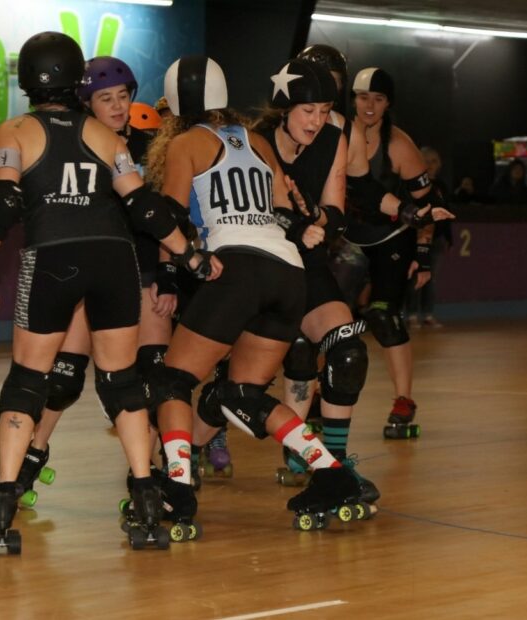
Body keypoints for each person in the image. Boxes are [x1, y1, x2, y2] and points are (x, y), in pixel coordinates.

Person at [0, 33, 214, 554]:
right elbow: (145, 208)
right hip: (114, 260)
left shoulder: (13, 130)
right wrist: (188, 252)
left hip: (54, 257)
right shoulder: (108, 138)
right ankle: (146, 495)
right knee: (122, 383)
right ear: (75, 80)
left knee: (27, 380)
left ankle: (4, 503)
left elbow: (4, 197)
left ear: (27, 81)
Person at [144, 55, 371, 531]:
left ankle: (179, 489)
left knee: (173, 381)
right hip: (288, 273)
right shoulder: (258, 142)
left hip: (237, 269)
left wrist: (187, 258)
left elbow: (163, 217)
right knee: (242, 393)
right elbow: (286, 216)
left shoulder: (186, 142)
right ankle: (332, 474)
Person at [9, 55, 181, 510]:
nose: (120, 107)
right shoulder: (77, 143)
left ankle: (151, 475)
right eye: (107, 99)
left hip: (139, 273)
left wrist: (168, 274)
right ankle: (31, 456)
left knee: (147, 378)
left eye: (124, 96)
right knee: (63, 379)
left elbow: (164, 216)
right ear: (85, 103)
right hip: (92, 268)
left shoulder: (150, 147)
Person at [250, 58, 377, 501]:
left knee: (347, 351)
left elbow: (336, 212)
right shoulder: (253, 141)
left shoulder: (333, 138)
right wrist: (293, 221)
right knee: (229, 382)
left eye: (325, 110)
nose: (317, 121)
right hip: (256, 264)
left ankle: (332, 468)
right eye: (308, 111)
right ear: (283, 108)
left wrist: (318, 217)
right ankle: (181, 465)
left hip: (306, 260)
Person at [342, 67, 455, 440]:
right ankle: (314, 401)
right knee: (328, 318)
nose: (369, 106)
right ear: (353, 99)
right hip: (349, 236)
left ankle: (403, 400)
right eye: (363, 98)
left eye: (378, 99)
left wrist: (422, 256)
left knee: (384, 317)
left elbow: (429, 202)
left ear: (388, 103)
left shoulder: (399, 145)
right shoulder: (337, 133)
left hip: (393, 236)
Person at [406, 146, 454, 328]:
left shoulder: (441, 186)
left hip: (438, 239)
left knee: (431, 279)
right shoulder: (413, 185)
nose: (431, 165)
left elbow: (447, 213)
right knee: (416, 277)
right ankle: (410, 314)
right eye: (427, 160)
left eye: (434, 161)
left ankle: (427, 313)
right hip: (418, 239)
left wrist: (449, 238)